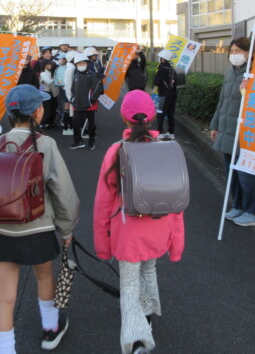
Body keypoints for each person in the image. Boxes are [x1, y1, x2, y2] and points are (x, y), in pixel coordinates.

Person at [0, 84, 80, 354]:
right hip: (38, 228)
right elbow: (62, 191)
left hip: (2, 229)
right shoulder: (46, 144)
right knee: (45, 278)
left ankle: (5, 350)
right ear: (38, 111)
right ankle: (50, 329)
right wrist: (66, 229)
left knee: (5, 297)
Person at [93, 90, 185, 354]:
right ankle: (147, 319)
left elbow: (103, 203)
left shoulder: (117, 150)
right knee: (149, 270)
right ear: (152, 117)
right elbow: (177, 204)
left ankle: (136, 341)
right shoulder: (167, 148)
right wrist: (176, 245)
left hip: (128, 232)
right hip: (159, 228)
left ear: (124, 118)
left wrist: (103, 244)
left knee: (130, 282)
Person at [209, 37, 255, 227]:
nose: (234, 54)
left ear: (248, 53)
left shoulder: (254, 74)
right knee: (232, 173)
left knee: (246, 174)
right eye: (231, 51)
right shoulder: (230, 73)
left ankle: (253, 212)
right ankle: (238, 205)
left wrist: (249, 90)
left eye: (238, 50)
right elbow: (222, 102)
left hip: (244, 132)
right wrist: (215, 125)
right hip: (227, 130)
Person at [69, 53, 104, 151]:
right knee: (75, 123)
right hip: (77, 104)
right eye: (79, 64)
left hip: (90, 105)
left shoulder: (92, 75)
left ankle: (91, 142)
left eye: (83, 63)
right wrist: (73, 99)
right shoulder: (76, 75)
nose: (81, 65)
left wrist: (91, 101)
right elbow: (73, 89)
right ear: (76, 65)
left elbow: (97, 90)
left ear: (87, 64)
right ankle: (78, 142)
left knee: (91, 125)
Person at [153, 49, 177, 140]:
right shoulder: (172, 69)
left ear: (162, 59)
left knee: (160, 113)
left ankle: (160, 132)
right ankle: (171, 132)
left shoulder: (161, 69)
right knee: (171, 113)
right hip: (173, 94)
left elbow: (156, 82)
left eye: (160, 58)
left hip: (164, 94)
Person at [61, 51, 77, 136]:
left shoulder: (70, 67)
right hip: (69, 93)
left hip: (69, 93)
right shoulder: (70, 69)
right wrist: (70, 96)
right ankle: (67, 128)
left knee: (69, 111)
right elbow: (68, 83)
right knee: (69, 111)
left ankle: (69, 127)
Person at [39, 59, 59, 129]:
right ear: (45, 66)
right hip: (45, 92)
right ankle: (44, 122)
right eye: (49, 64)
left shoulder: (50, 72)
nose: (50, 65)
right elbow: (48, 82)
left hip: (51, 92)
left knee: (52, 108)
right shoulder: (43, 73)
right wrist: (55, 79)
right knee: (47, 108)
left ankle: (50, 122)